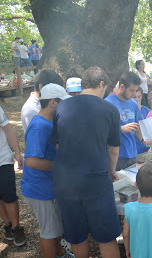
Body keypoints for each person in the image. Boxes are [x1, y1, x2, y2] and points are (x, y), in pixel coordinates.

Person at [51, 66, 122, 258]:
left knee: (77, 235)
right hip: (96, 180)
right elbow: (113, 149)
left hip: (66, 182)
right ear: (101, 84)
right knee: (106, 236)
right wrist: (112, 171)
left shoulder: (61, 107)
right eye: (105, 89)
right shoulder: (110, 109)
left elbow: (58, 145)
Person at [21, 84, 73, 258]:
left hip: (48, 186)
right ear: (53, 102)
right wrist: (60, 164)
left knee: (54, 228)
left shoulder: (48, 122)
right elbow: (31, 161)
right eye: (62, 103)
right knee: (48, 232)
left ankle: (60, 253)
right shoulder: (39, 126)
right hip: (40, 189)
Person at [105, 71, 148, 171]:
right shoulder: (108, 104)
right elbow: (103, 130)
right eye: (132, 90)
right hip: (116, 155)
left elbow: (136, 127)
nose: (134, 94)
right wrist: (121, 129)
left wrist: (142, 140)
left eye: (136, 90)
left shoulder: (133, 104)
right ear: (122, 86)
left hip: (132, 154)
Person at [0, 105, 26, 247]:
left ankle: (17, 228)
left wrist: (17, 152)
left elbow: (8, 129)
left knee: (9, 195)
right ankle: (7, 225)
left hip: (2, 159)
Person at [133, 87, 151, 155]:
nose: (137, 99)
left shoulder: (146, 110)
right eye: (134, 97)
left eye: (139, 96)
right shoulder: (130, 111)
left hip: (146, 147)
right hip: (134, 148)